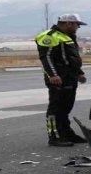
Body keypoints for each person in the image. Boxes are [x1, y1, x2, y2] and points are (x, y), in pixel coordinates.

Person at [36, 14, 88, 147]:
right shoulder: (49, 36)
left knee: (65, 108)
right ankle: (54, 136)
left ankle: (66, 133)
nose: (78, 27)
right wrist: (53, 75)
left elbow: (71, 58)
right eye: (77, 24)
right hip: (57, 78)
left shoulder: (68, 36)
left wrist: (79, 73)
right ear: (69, 23)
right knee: (55, 108)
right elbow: (46, 58)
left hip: (70, 77)